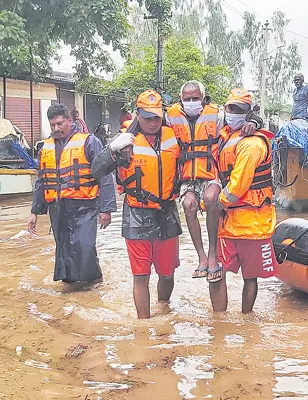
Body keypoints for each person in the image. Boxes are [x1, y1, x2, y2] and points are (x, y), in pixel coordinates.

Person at [91, 90, 182, 319]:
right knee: (141, 276)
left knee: (167, 274)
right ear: (138, 115)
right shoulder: (125, 141)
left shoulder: (174, 136)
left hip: (167, 211)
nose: (152, 122)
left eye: (156, 117)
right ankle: (144, 325)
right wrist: (112, 149)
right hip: (136, 213)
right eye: (146, 117)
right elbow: (96, 170)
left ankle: (164, 310)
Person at [167, 80, 260, 281]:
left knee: (211, 199)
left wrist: (254, 122)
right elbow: (144, 120)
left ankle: (212, 254)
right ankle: (201, 257)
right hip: (187, 176)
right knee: (189, 204)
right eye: (187, 99)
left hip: (211, 173)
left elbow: (243, 116)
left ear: (203, 98)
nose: (192, 102)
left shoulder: (217, 116)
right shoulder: (170, 117)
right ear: (181, 101)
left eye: (196, 98)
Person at [27, 104, 116, 284]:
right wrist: (34, 212)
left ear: (69, 120)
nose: (56, 129)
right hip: (58, 208)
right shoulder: (46, 146)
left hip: (85, 206)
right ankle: (71, 290)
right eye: (52, 125)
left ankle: (95, 284)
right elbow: (42, 181)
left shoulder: (89, 141)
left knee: (84, 246)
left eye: (60, 124)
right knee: (64, 250)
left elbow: (105, 175)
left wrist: (106, 209)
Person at [210, 88, 278, 314]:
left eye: (239, 110)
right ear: (225, 108)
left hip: (252, 223)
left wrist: (215, 205)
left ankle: (246, 318)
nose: (233, 113)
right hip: (229, 223)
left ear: (248, 113)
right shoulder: (224, 136)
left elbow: (238, 185)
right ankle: (220, 320)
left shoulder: (252, 143)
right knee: (217, 270)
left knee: (251, 278)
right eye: (230, 108)